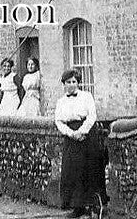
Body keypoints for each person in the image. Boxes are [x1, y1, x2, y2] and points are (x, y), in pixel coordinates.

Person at [54, 69, 106, 218]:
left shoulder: (86, 96)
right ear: (64, 84)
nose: (71, 85)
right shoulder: (61, 101)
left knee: (89, 169)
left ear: (78, 83)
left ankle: (92, 206)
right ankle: (77, 206)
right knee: (72, 170)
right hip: (71, 137)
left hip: (87, 135)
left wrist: (82, 131)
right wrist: (71, 134)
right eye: (68, 82)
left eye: (74, 82)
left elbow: (92, 116)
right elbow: (58, 121)